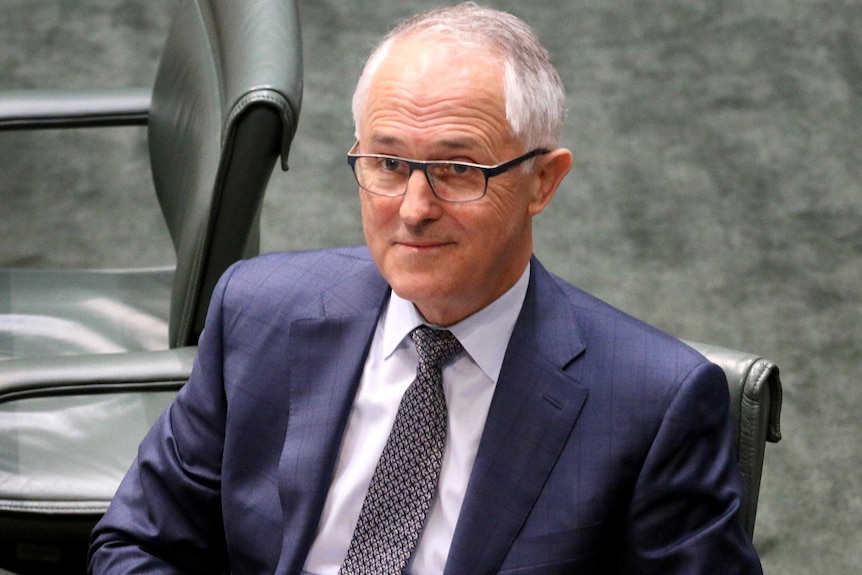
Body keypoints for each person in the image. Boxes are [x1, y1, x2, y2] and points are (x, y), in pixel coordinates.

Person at [89, 3, 763, 574]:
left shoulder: (653, 405)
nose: (413, 206)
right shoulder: (256, 312)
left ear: (544, 181)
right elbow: (137, 541)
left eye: (459, 169)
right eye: (387, 162)